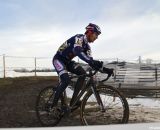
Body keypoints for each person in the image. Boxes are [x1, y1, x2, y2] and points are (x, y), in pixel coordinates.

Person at [52, 23, 113, 111]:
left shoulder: (87, 47)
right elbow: (77, 50)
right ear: (89, 32)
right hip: (58, 59)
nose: (97, 37)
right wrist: (91, 61)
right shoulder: (79, 38)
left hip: (68, 61)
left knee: (83, 74)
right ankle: (53, 106)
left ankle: (73, 101)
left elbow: (92, 62)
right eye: (96, 34)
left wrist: (105, 69)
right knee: (66, 80)